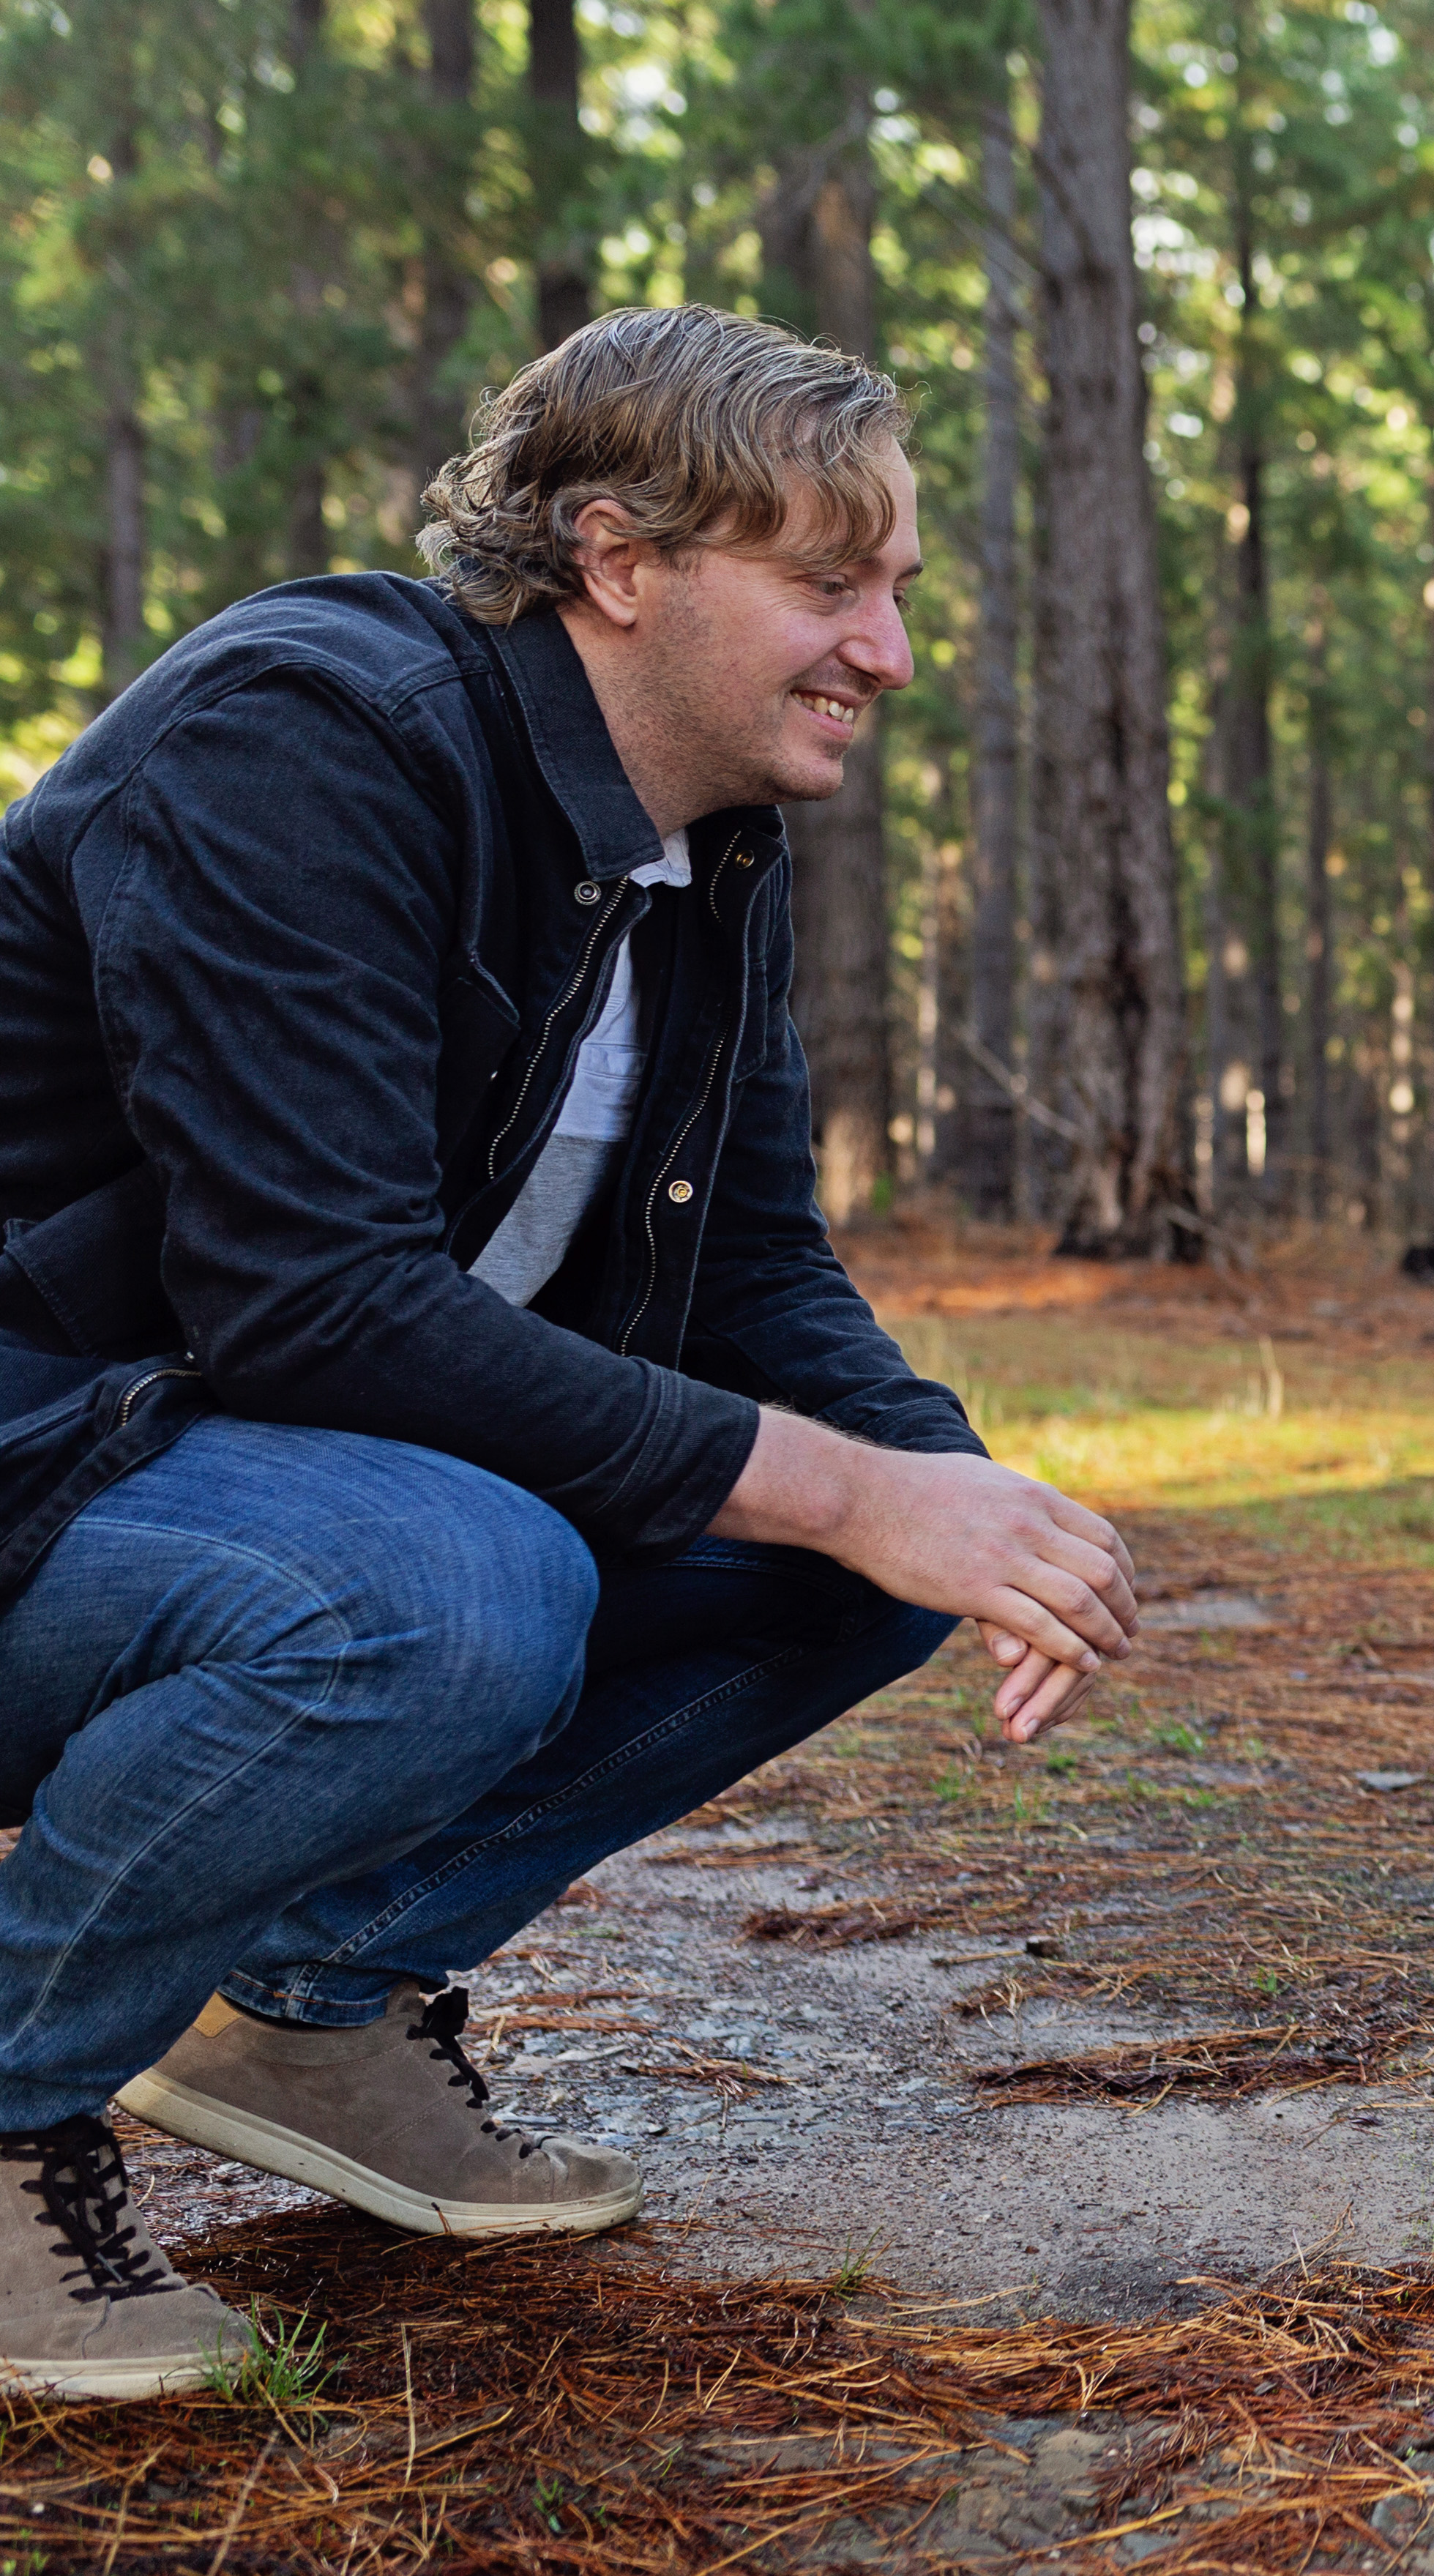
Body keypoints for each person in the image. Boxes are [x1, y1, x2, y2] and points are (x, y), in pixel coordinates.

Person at [0, 306, 1142, 2402]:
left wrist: (957, 1497)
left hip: (230, 1476)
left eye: (893, 594)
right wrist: (855, 1484)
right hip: (49, 1463)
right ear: (617, 560)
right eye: (827, 588)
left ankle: (313, 2016)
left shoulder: (707, 853)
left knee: (845, 1554)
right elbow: (313, 1300)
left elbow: (760, 1275)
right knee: (458, 1592)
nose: (886, 653)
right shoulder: (305, 732)